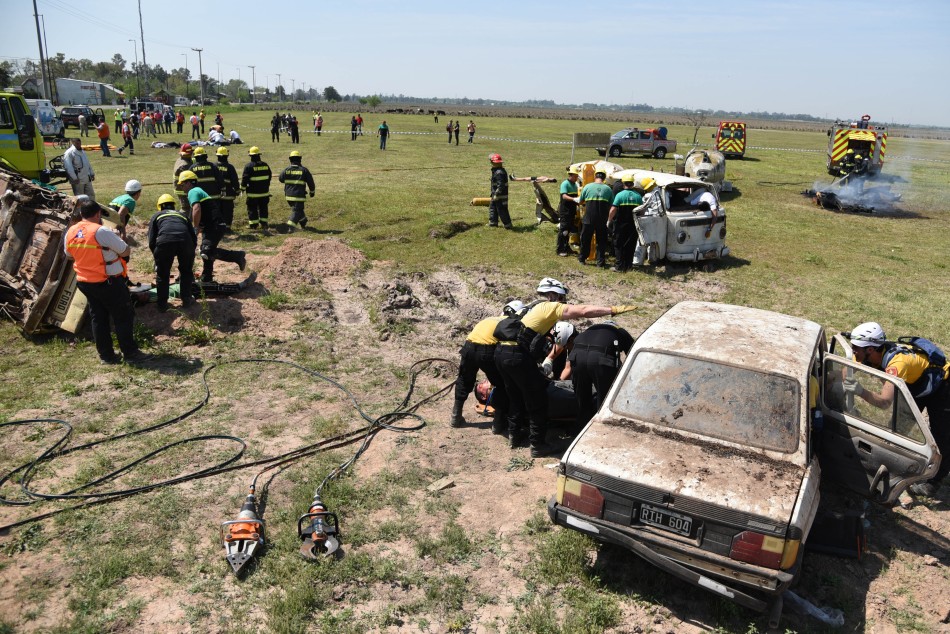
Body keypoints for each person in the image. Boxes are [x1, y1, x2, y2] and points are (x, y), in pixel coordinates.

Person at [493, 277, 636, 457]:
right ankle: (538, 445)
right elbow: (583, 311)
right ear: (554, 295)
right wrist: (611, 310)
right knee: (537, 399)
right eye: (562, 299)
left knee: (514, 394)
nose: (564, 304)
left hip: (501, 352)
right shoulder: (549, 306)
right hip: (517, 354)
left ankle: (514, 435)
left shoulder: (529, 308)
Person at [847, 322, 949, 497]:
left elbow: (884, 402)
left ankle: (934, 481)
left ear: (870, 349)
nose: (853, 351)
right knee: (897, 428)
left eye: (855, 348)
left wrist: (861, 391)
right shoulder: (864, 354)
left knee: (942, 436)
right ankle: (892, 466)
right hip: (917, 385)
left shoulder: (898, 364)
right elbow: (844, 372)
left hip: (943, 387)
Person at [63, 199, 151, 365]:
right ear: (98, 214)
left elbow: (69, 255)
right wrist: (115, 239)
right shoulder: (101, 231)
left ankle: (106, 355)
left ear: (81, 214)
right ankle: (130, 353)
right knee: (123, 316)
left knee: (98, 317)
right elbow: (125, 250)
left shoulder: (71, 231)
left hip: (85, 282)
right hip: (108, 281)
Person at [451, 300, 525, 433]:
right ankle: (498, 424)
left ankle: (455, 417)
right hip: (486, 351)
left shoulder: (489, 319)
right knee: (501, 385)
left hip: (468, 347)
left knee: (464, 379)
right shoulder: (509, 323)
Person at [178, 170, 246, 282]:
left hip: (215, 226)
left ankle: (237, 256)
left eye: (182, 184)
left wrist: (195, 227)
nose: (181, 187)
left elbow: (197, 209)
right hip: (212, 226)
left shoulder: (193, 191)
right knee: (206, 251)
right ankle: (207, 277)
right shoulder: (198, 191)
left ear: (189, 183)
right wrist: (199, 226)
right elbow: (203, 211)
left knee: (206, 251)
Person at [569, 321, 634, 428]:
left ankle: (580, 428)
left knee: (582, 399)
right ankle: (601, 427)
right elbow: (633, 354)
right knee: (605, 398)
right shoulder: (619, 331)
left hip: (577, 357)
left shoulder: (590, 329)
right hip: (600, 359)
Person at [147, 193, 197, 312]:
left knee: (163, 274)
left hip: (164, 242)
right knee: (186, 271)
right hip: (186, 242)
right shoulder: (182, 215)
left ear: (160, 206)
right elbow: (193, 237)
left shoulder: (157, 215)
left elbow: (151, 239)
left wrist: (157, 256)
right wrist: (190, 253)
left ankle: (162, 305)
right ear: (173, 206)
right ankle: (186, 300)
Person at [578, 168, 613, 268]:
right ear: (604, 178)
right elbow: (611, 204)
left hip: (588, 218)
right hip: (602, 219)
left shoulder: (587, 187)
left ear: (595, 176)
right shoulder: (608, 189)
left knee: (585, 239)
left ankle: (582, 259)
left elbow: (580, 201)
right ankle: (600, 262)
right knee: (601, 241)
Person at [608, 174, 643, 271]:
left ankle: (619, 266)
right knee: (630, 245)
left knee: (619, 244)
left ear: (623, 184)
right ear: (632, 184)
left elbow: (613, 209)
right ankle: (628, 266)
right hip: (633, 225)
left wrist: (609, 220)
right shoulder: (638, 196)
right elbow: (641, 211)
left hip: (620, 224)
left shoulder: (620, 195)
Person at [279, 150, 316, 231]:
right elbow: (311, 182)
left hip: (288, 196)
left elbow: (281, 179)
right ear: (300, 159)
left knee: (298, 209)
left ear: (290, 159)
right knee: (297, 211)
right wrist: (312, 192)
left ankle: (303, 222)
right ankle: (290, 226)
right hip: (299, 196)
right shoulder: (304, 170)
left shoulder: (286, 170)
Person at [242, 146, 272, 231]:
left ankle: (253, 225)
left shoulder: (248, 166)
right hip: (264, 192)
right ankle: (264, 224)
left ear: (251, 156)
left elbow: (245, 179)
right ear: (259, 155)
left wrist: (242, 188)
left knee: (252, 208)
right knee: (263, 208)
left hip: (253, 194)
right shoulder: (265, 165)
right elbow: (269, 176)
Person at [556, 166, 580, 256]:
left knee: (568, 230)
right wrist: (574, 199)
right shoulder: (565, 184)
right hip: (565, 211)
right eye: (575, 176)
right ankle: (560, 249)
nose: (577, 177)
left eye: (577, 176)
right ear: (571, 175)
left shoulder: (575, 185)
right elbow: (564, 196)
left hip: (572, 211)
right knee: (564, 230)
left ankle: (566, 248)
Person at [215, 147, 241, 230]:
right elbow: (235, 181)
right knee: (228, 213)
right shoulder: (230, 167)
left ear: (217, 156)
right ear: (227, 156)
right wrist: (237, 191)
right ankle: (227, 228)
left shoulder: (214, 166)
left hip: (216, 196)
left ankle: (218, 228)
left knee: (217, 212)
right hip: (228, 196)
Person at [487, 153, 513, 229]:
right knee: (493, 208)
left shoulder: (499, 173)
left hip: (500, 195)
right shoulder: (496, 171)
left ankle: (508, 225)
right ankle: (493, 223)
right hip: (495, 194)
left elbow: (501, 185)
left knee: (502, 210)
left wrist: (496, 194)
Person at [173, 144, 195, 208]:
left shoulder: (179, 159)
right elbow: (189, 178)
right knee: (187, 208)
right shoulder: (185, 165)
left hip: (180, 188)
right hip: (183, 191)